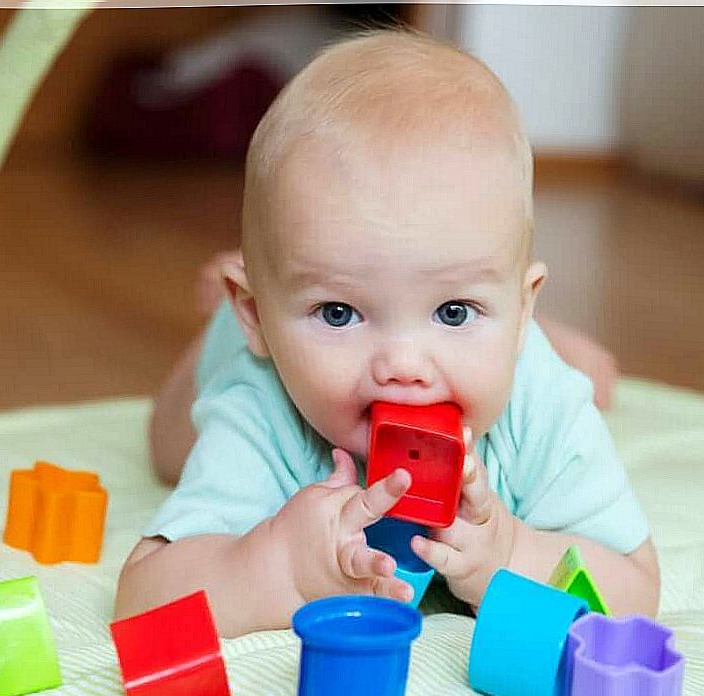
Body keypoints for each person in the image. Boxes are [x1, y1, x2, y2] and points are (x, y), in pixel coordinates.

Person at [114, 31, 658, 637]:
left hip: (499, 334)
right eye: (339, 313)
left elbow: (635, 583)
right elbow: (143, 597)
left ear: (522, 310)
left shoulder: (540, 402)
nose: (403, 365)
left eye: (454, 310)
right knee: (168, 443)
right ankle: (222, 319)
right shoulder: (261, 407)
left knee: (595, 378)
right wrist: (278, 564)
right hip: (239, 346)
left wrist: (511, 555)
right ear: (258, 315)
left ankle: (447, 311)